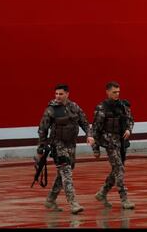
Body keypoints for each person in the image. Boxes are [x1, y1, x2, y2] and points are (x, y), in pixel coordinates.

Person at [36, 83, 95, 214]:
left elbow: (85, 123)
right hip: (58, 145)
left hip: (71, 145)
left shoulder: (74, 107)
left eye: (61, 94)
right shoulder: (51, 110)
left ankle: (50, 199)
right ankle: (73, 203)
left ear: (67, 94)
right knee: (66, 173)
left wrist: (89, 136)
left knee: (63, 173)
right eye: (56, 94)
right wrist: (40, 149)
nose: (58, 96)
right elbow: (42, 130)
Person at [92, 81, 136, 209]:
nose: (117, 94)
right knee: (120, 169)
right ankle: (124, 200)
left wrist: (129, 130)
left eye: (118, 92)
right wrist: (95, 149)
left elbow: (130, 120)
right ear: (107, 92)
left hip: (122, 142)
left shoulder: (123, 106)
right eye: (114, 92)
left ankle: (102, 193)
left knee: (116, 169)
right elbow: (95, 129)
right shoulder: (101, 108)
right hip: (110, 142)